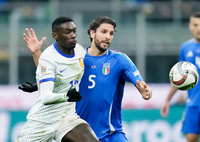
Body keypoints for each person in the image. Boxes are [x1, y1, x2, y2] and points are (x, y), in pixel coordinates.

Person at [19, 16, 152, 142]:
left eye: (111, 33)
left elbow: (143, 87)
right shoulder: (79, 57)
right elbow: (52, 72)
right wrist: (37, 56)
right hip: (77, 131)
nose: (107, 37)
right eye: (104, 32)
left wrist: (146, 92)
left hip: (112, 133)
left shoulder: (120, 60)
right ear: (92, 33)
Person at [17, 17, 99, 142]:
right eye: (67, 32)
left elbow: (61, 75)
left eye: (74, 31)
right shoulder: (48, 57)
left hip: (67, 118)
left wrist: (40, 83)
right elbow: (45, 97)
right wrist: (65, 96)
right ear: (55, 35)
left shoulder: (79, 51)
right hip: (42, 121)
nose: (73, 35)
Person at [161, 12, 200, 142]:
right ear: (190, 26)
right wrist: (167, 100)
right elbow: (179, 78)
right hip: (193, 103)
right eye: (195, 25)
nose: (198, 28)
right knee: (191, 137)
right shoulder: (186, 48)